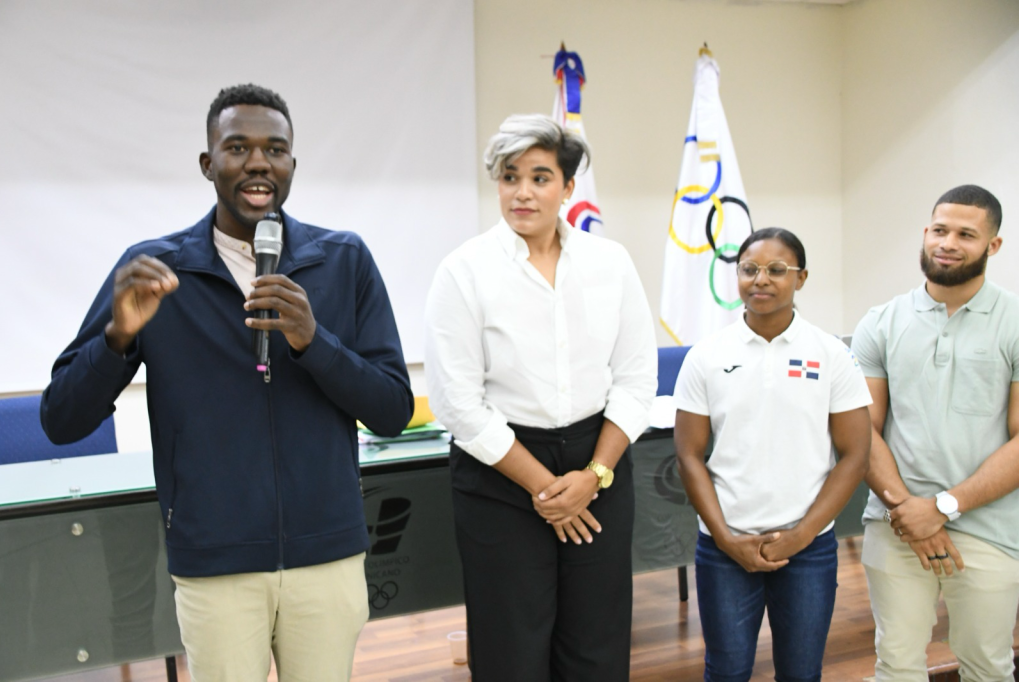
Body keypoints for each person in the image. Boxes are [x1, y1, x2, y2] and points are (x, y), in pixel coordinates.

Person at [40, 83, 413, 682]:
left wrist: (314, 342)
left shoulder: (343, 260)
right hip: (215, 563)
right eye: (237, 147)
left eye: (276, 149)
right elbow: (61, 420)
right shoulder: (157, 270)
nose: (259, 161)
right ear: (208, 164)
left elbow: (392, 409)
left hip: (328, 556)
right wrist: (117, 338)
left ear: (293, 163)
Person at [424, 113, 657, 681]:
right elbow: (458, 403)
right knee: (512, 647)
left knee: (597, 644)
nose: (522, 192)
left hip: (595, 463)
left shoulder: (611, 264)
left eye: (540, 176)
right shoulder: (464, 272)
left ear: (568, 187)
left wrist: (592, 478)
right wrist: (547, 489)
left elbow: (636, 381)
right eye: (509, 177)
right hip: (500, 472)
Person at [674, 227, 873, 682]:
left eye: (777, 270)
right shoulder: (706, 355)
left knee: (801, 674)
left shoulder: (830, 354)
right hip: (726, 547)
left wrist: (802, 535)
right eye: (749, 269)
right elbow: (688, 455)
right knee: (725, 671)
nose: (760, 279)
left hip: (807, 549)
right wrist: (724, 537)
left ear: (801, 278)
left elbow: (854, 456)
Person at [852, 185, 1019, 681]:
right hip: (895, 521)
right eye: (939, 230)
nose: (947, 243)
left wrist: (943, 507)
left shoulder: (1014, 322)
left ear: (993, 246)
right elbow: (864, 431)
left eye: (966, 234)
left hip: (991, 530)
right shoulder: (880, 323)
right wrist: (909, 510)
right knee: (897, 665)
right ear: (926, 233)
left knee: (988, 666)